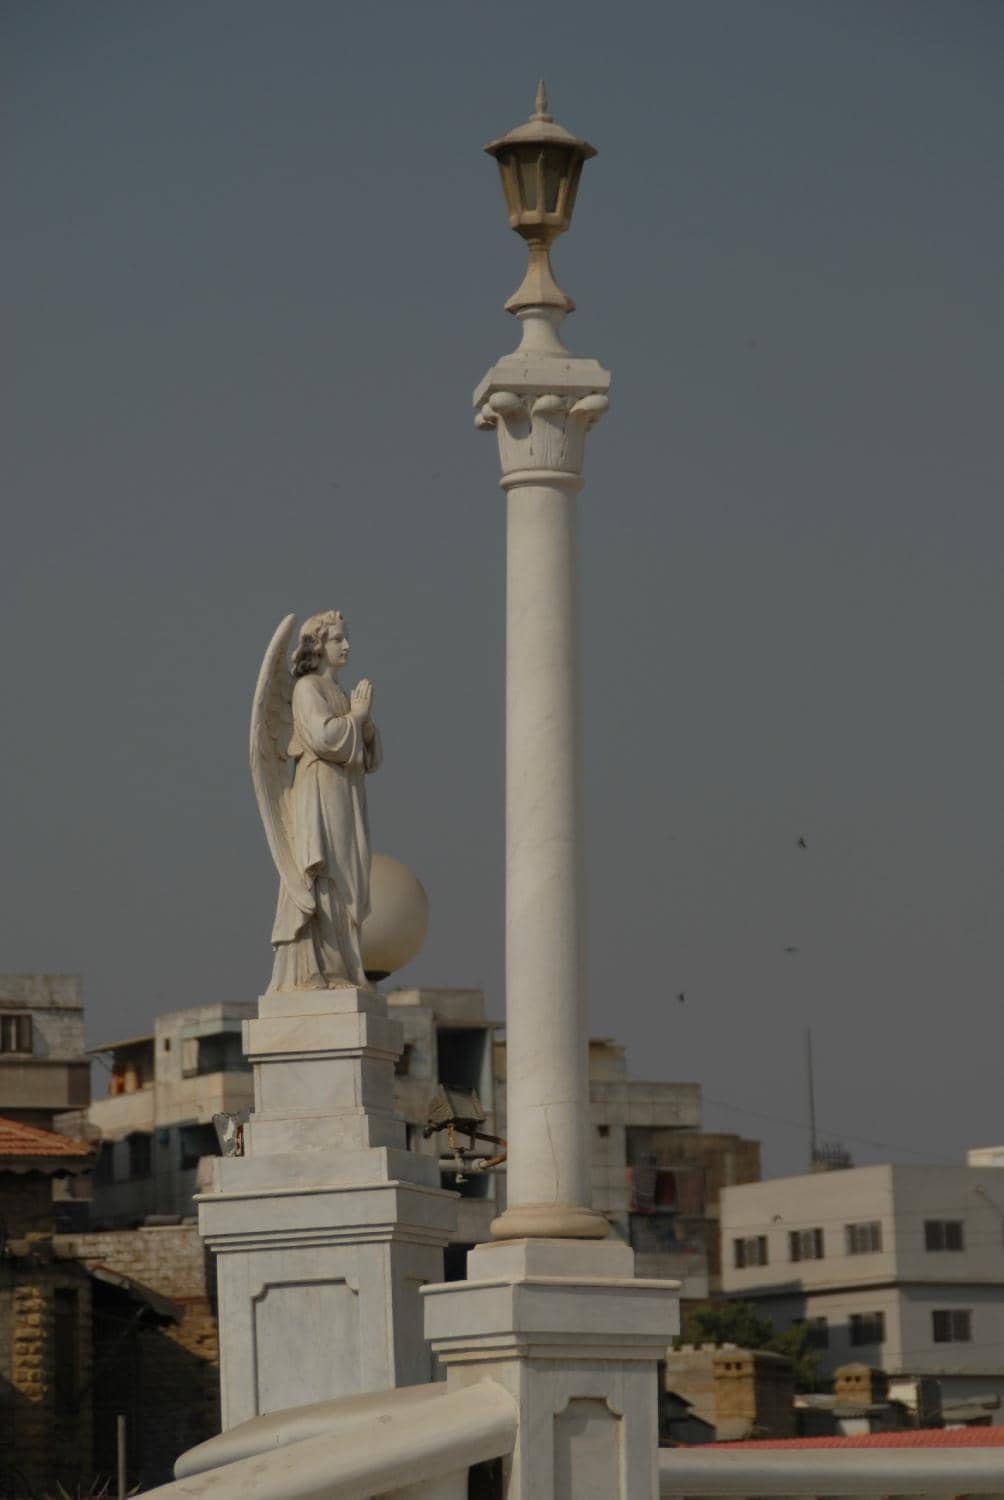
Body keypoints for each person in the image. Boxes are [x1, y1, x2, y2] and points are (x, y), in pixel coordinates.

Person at [267, 610, 381, 991]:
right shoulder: (307, 689)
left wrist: (362, 722)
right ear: (318, 646)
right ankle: (321, 967)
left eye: (345, 638)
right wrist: (357, 718)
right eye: (337, 639)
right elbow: (322, 737)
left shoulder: (340, 694)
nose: (346, 645)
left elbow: (371, 758)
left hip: (345, 791)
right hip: (318, 791)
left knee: (349, 874)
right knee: (325, 872)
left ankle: (348, 967)